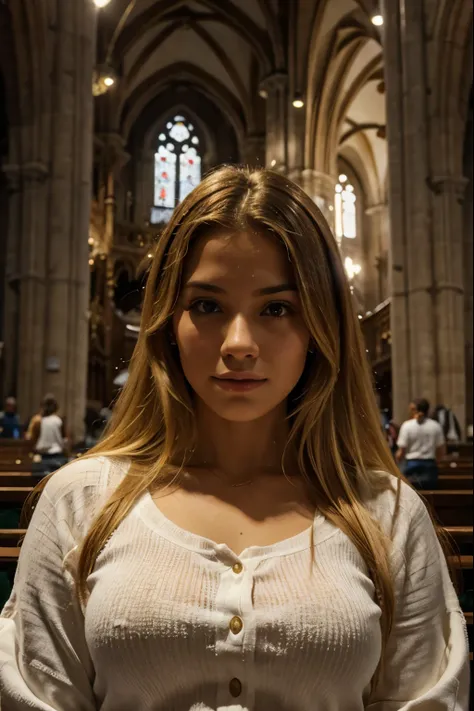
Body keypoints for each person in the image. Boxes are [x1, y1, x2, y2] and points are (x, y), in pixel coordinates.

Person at [0, 167, 469, 710]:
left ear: (320, 325)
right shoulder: (79, 503)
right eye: (207, 306)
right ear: (166, 322)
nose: (239, 343)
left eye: (276, 308)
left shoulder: (386, 515)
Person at [396, 398, 446, 490]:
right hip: (429, 466)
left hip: (411, 465)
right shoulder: (436, 426)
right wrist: (436, 462)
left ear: (415, 409)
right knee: (430, 497)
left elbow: (401, 451)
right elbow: (441, 451)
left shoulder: (406, 425)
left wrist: (396, 464)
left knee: (411, 495)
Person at [28, 394, 69, 477]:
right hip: (57, 457)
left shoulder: (37, 421)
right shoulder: (58, 420)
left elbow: (32, 439)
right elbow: (64, 440)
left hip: (43, 457)